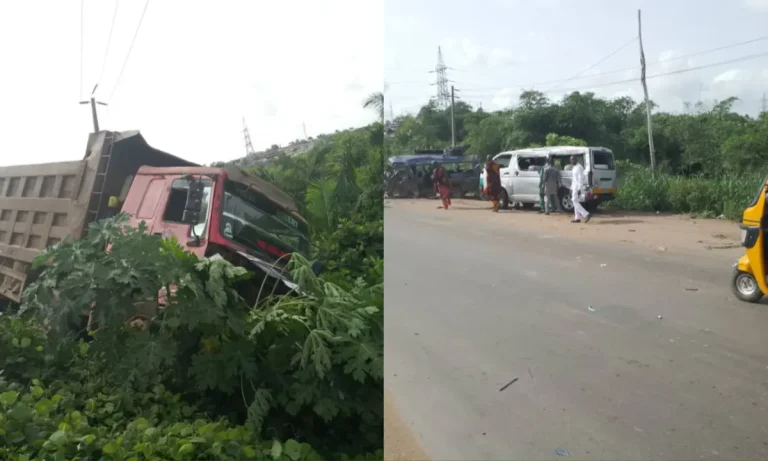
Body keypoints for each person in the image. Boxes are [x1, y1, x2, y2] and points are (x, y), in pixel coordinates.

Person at [569, 155, 591, 223]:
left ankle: (586, 214)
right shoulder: (574, 167)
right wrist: (571, 188)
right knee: (576, 201)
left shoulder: (579, 167)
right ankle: (577, 218)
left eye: (573, 159)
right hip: (574, 187)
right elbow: (574, 179)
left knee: (574, 201)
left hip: (578, 187)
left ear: (576, 160)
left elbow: (580, 179)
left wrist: (579, 189)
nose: (572, 161)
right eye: (571, 160)